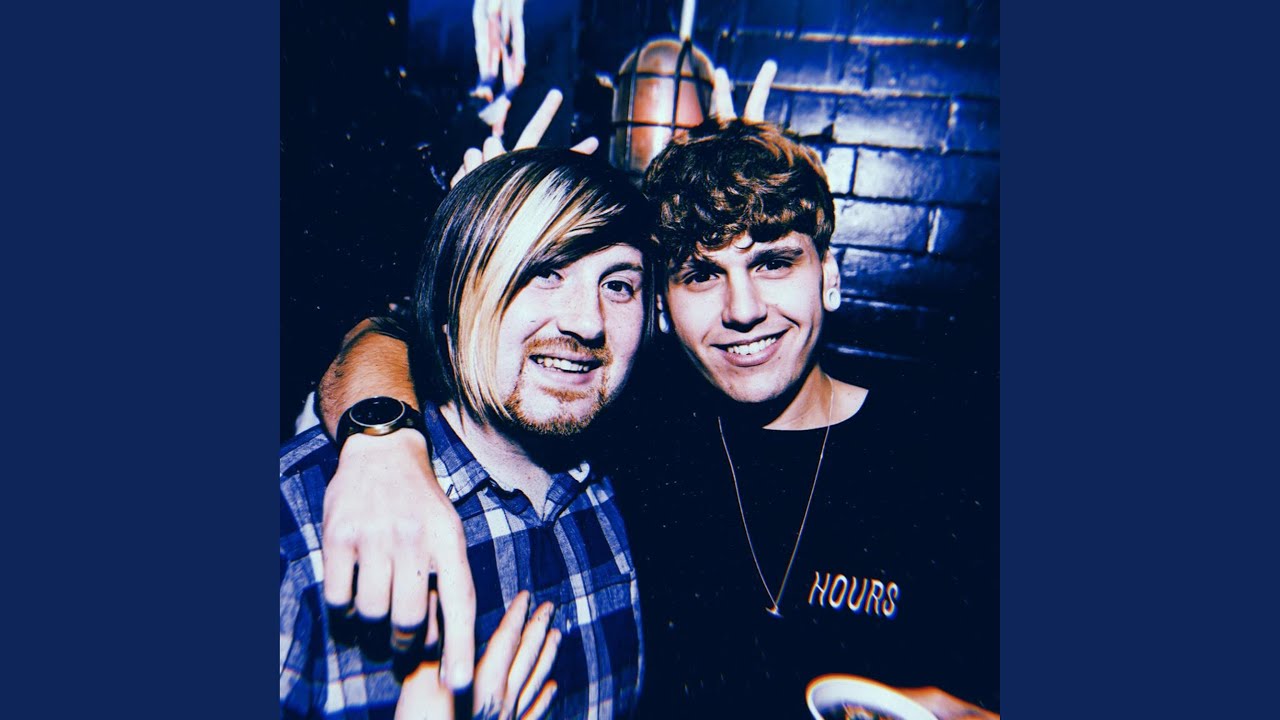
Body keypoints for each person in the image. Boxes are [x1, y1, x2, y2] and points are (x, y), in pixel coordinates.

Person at [313, 79, 998, 718]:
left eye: (773, 262)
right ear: (663, 309)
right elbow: (381, 336)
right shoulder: (636, 433)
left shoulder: (946, 463)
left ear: (830, 276)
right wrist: (386, 446)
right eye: (701, 274)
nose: (743, 309)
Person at [280, 148, 654, 719]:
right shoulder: (305, 525)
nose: (587, 321)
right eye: (544, 271)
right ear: (454, 297)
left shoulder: (638, 489)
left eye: (620, 285)